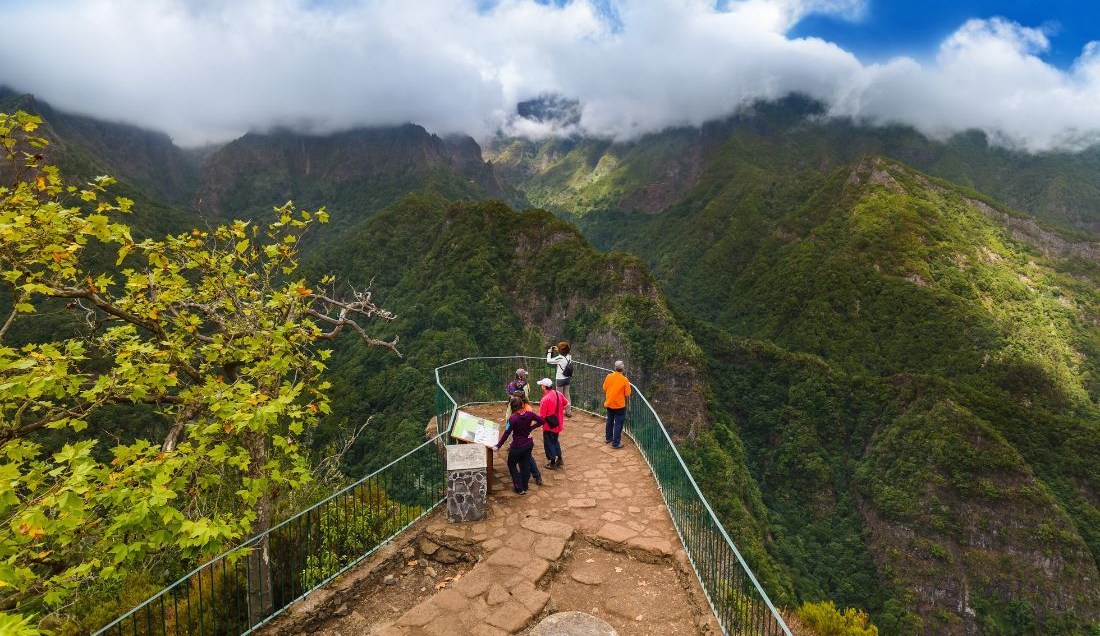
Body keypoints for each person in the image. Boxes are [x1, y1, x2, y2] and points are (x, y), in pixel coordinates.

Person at [495, 395, 544, 495]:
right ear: (522, 404)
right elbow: (542, 421)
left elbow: (506, 433)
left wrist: (498, 445)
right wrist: (531, 428)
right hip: (528, 443)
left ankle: (519, 487)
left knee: (511, 464)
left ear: (512, 407)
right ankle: (525, 486)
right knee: (525, 464)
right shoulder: (530, 414)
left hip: (517, 446)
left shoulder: (513, 419)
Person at [511, 389, 544, 486]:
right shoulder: (526, 407)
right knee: (526, 457)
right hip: (523, 434)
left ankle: (533, 475)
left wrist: (530, 428)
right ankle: (532, 476)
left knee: (527, 457)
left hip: (523, 436)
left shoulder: (525, 409)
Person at [536, 377, 569, 469]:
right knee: (555, 441)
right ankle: (560, 459)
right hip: (558, 423)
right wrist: (560, 411)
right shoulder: (558, 393)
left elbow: (542, 417)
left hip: (549, 426)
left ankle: (552, 462)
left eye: (541, 385)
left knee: (549, 443)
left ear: (544, 386)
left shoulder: (545, 399)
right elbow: (567, 404)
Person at [603, 360, 631, 449]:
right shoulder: (624, 379)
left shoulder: (609, 376)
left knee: (609, 420)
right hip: (619, 405)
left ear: (615, 368)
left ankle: (608, 438)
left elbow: (604, 388)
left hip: (610, 402)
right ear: (622, 369)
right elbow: (627, 393)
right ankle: (615, 443)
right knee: (618, 423)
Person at [546, 341, 573, 417]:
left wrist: (549, 352)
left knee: (559, 396)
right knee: (567, 395)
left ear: (561, 351)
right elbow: (564, 354)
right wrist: (558, 349)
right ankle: (568, 412)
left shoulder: (559, 358)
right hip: (567, 378)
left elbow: (549, 361)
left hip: (560, 379)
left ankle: (559, 412)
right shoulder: (569, 356)